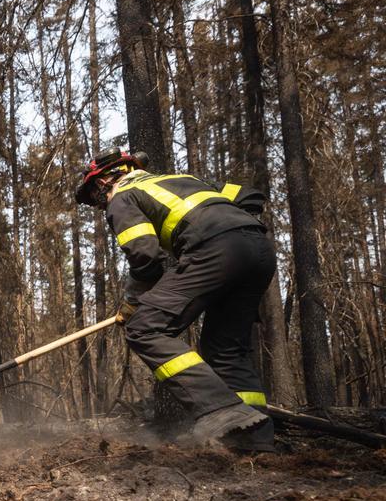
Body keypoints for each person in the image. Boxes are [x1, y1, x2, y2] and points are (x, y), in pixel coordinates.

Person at [75, 148, 275, 450]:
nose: (98, 204)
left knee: (144, 328)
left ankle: (218, 409)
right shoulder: (182, 178)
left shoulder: (122, 197)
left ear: (104, 181)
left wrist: (132, 303)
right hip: (259, 251)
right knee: (225, 350)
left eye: (94, 195)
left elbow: (146, 257)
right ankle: (255, 442)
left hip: (215, 250)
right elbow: (250, 197)